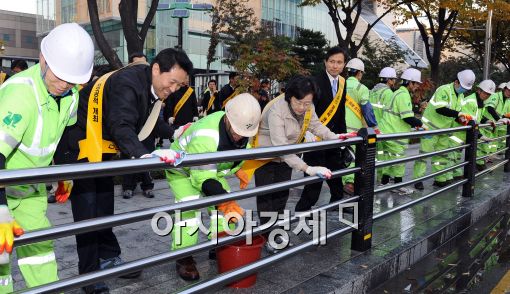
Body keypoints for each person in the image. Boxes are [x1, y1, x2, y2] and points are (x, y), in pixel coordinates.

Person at [56, 48, 191, 293]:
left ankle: (109, 258)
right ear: (156, 69)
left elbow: (147, 119)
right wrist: (143, 156)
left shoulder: (150, 85)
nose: (173, 90)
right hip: (79, 145)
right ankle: (88, 276)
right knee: (87, 211)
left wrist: (174, 132)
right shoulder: (128, 83)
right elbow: (121, 123)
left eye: (179, 86)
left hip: (101, 147)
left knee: (105, 205)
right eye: (172, 82)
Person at [0, 23, 94, 292]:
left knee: (41, 254)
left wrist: (63, 172)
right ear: (43, 58)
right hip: (2, 190)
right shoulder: (20, 94)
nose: (64, 84)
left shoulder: (70, 93)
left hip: (31, 192)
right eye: (60, 75)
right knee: (1, 263)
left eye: (72, 79)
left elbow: (65, 133)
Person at [166, 93, 261, 281]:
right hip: (183, 172)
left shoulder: (242, 126)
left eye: (244, 134)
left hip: (212, 172)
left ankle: (220, 244)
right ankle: (183, 257)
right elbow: (203, 178)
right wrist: (223, 199)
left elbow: (237, 151)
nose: (240, 137)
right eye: (237, 132)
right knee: (189, 210)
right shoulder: (206, 135)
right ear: (227, 118)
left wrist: (237, 168)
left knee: (224, 212)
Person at [251, 75, 349, 253]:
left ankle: (277, 233)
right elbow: (281, 147)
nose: (303, 107)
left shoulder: (308, 107)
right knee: (267, 198)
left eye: (307, 103)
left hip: (287, 156)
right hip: (266, 156)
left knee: (281, 195)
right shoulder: (276, 109)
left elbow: (317, 126)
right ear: (290, 96)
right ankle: (268, 237)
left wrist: (335, 137)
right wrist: (307, 168)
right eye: (299, 102)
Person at [296, 46, 349, 212]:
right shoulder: (314, 82)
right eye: (332, 61)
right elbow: (305, 110)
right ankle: (303, 210)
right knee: (314, 180)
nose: (335, 65)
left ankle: (337, 203)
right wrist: (306, 133)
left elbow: (340, 112)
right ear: (325, 62)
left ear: (344, 64)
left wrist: (343, 138)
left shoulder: (342, 83)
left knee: (336, 173)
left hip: (332, 137)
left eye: (339, 62)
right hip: (316, 138)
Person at [413, 70, 476, 189]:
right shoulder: (444, 90)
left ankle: (439, 178)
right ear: (456, 82)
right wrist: (458, 114)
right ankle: (418, 179)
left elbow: (455, 115)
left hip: (444, 130)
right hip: (430, 128)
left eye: (466, 88)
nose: (464, 90)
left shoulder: (461, 96)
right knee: (424, 154)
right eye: (463, 87)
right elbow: (440, 109)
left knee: (441, 156)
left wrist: (462, 119)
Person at [379, 68, 424, 195]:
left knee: (389, 158)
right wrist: (421, 124)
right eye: (416, 84)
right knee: (399, 160)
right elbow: (407, 117)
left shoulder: (397, 92)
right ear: (410, 83)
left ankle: (384, 183)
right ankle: (398, 185)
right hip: (395, 133)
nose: (417, 87)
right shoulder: (403, 95)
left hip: (386, 131)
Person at [342, 57, 378, 194]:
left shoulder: (340, 85)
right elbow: (367, 110)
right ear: (359, 73)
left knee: (341, 156)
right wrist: (374, 127)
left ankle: (339, 184)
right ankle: (349, 183)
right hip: (353, 130)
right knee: (352, 157)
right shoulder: (361, 88)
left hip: (338, 129)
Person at [450, 80, 497, 172]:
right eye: (485, 93)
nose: (487, 95)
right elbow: (468, 121)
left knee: (457, 156)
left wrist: (486, 120)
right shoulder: (471, 101)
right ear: (479, 90)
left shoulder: (480, 101)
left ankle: (455, 176)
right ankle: (443, 180)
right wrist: (480, 136)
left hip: (466, 132)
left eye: (489, 94)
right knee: (453, 156)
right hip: (458, 132)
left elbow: (476, 117)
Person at [370, 67, 397, 182]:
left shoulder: (372, 91)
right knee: (383, 155)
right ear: (389, 80)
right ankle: (381, 178)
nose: (394, 82)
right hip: (382, 129)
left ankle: (373, 179)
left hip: (370, 128)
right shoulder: (388, 93)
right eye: (393, 79)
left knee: (372, 155)